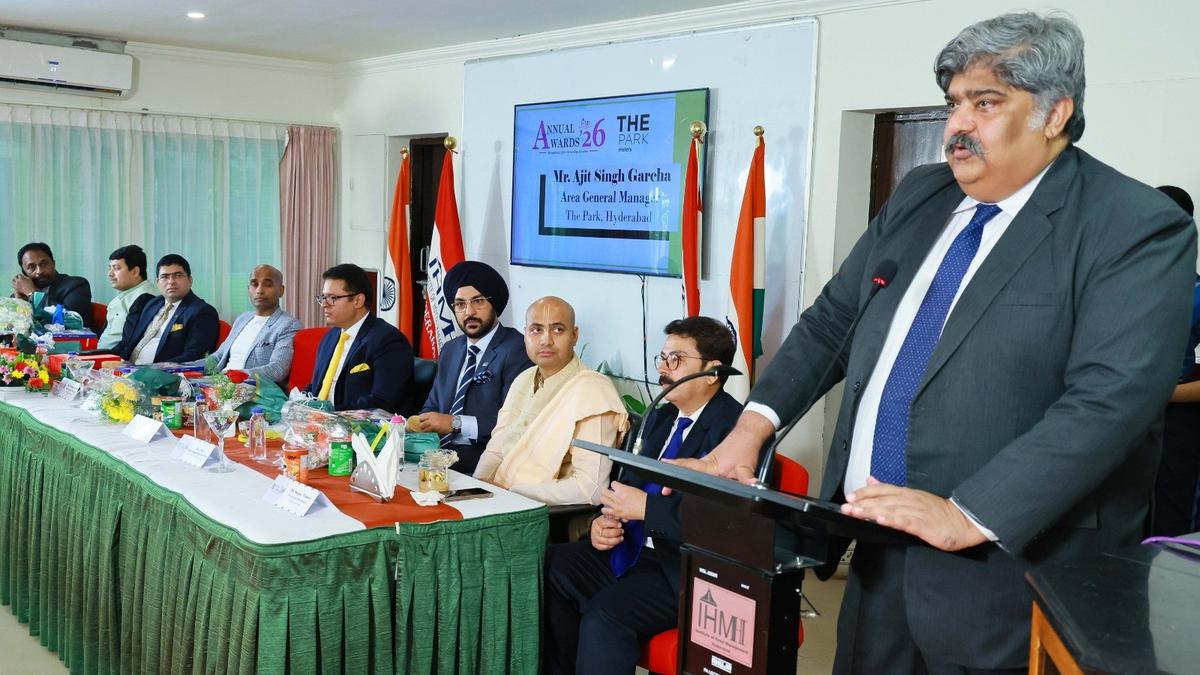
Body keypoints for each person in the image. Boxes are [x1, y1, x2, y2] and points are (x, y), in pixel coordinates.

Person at [673, 13, 1195, 673]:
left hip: (1011, 570)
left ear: (1055, 113)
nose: (958, 124)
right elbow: (834, 320)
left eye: (986, 103)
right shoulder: (923, 195)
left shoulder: (1133, 225)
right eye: (954, 103)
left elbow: (1111, 399)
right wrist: (751, 429)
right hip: (877, 549)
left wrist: (970, 512)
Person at [543, 316, 741, 675]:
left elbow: (728, 524)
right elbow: (626, 487)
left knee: (606, 616)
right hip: (629, 548)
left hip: (681, 567)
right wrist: (603, 522)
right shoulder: (659, 418)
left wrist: (649, 509)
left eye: (676, 359)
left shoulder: (736, 433)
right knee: (550, 567)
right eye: (662, 358)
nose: (663, 369)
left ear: (712, 372)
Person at [473, 296, 625, 505]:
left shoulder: (592, 390)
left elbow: (591, 489)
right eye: (536, 330)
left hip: (545, 517)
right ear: (525, 334)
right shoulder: (524, 379)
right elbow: (497, 448)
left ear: (575, 335)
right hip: (497, 502)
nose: (546, 340)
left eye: (558, 330)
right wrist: (474, 490)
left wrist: (512, 493)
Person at [415, 260, 532, 473]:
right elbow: (431, 407)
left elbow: (516, 423)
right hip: (439, 458)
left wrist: (456, 423)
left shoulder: (516, 349)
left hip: (484, 462)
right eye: (460, 304)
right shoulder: (451, 349)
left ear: (494, 304)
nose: (469, 312)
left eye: (478, 301)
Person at [1150, 185, 1200, 535]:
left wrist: (1161, 393)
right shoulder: (1120, 284)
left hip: (1178, 422)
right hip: (1122, 417)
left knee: (1171, 524)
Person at [304, 263, 412, 412]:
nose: (324, 304)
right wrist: (301, 402)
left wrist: (329, 415)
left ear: (358, 300)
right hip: (318, 424)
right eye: (323, 297)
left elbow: (381, 402)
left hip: (360, 429)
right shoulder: (329, 337)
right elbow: (318, 387)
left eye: (332, 298)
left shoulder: (388, 341)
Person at [185, 264, 300, 385]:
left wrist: (233, 376)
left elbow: (277, 369)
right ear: (248, 289)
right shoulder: (243, 319)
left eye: (268, 285)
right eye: (254, 284)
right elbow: (217, 358)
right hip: (220, 385)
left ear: (281, 290)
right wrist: (180, 367)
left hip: (253, 390)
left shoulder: (288, 324)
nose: (259, 290)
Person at [108, 254, 220, 364]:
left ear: (190, 280)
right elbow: (128, 342)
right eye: (165, 277)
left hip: (161, 375)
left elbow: (194, 356)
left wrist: (151, 370)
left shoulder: (201, 312)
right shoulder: (152, 304)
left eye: (178, 275)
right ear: (158, 282)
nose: (171, 281)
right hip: (125, 368)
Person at [11, 242, 93, 328]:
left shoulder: (76, 285)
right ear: (25, 273)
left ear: (53, 263)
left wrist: (33, 294)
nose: (39, 271)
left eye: (44, 264)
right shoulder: (22, 292)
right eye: (31, 267)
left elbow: (70, 322)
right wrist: (19, 301)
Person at [98, 245, 158, 350]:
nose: (110, 274)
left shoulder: (145, 298)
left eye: (116, 268)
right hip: (101, 357)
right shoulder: (126, 295)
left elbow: (129, 344)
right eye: (110, 268)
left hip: (115, 361)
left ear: (135, 271)